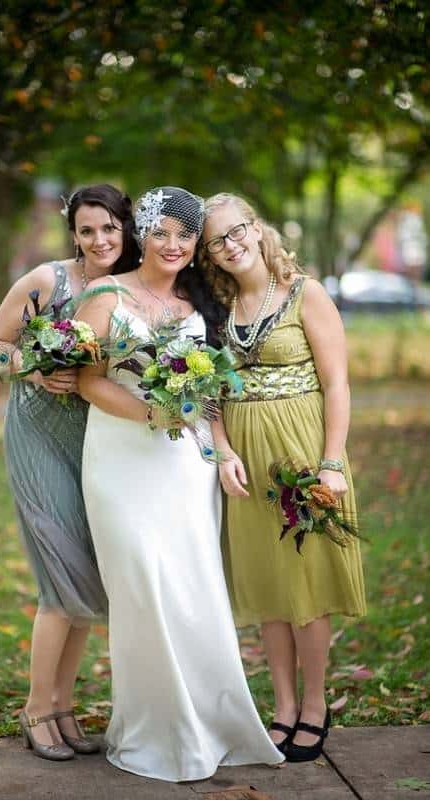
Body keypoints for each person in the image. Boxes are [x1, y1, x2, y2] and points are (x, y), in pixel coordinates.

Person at [76, 186, 284, 782]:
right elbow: (90, 380)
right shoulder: (105, 295)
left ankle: (208, 723)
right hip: (120, 459)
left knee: (193, 589)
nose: (174, 245)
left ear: (196, 244)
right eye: (162, 232)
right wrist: (151, 414)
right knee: (143, 582)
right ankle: (156, 728)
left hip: (186, 467)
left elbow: (211, 388)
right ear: (142, 234)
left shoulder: (199, 299)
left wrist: (221, 453)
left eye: (186, 236)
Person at [199, 193, 366, 762]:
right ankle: (283, 706)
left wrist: (332, 463)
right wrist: (222, 450)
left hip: (302, 455)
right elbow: (209, 390)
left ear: (256, 226)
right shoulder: (216, 308)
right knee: (269, 588)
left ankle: (316, 706)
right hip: (245, 462)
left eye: (236, 230)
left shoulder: (304, 293)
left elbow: (337, 384)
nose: (231, 244)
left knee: (307, 587)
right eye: (217, 240)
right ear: (211, 255)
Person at [0, 184, 139, 761]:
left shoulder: (131, 285)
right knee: (58, 576)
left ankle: (64, 706)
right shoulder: (48, 282)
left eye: (109, 228)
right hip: (38, 434)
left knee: (85, 577)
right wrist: (31, 369)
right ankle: (35, 710)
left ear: (125, 228)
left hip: (97, 440)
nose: (99, 239)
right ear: (73, 233)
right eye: (87, 229)